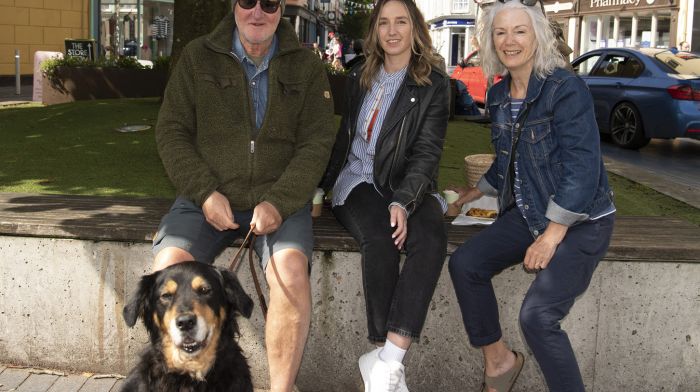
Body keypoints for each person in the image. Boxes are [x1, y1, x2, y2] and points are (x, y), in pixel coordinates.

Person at [152, 0, 337, 391]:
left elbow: (317, 144)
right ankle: (183, 382)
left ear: (281, 8)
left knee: (290, 276)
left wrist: (279, 201)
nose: (258, 13)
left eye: (269, 4)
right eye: (247, 1)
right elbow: (171, 131)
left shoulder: (306, 66)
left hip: (280, 200)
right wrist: (204, 192)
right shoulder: (197, 56)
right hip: (206, 197)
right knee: (169, 267)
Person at [447, 1, 616, 391]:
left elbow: (583, 168)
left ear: (536, 35)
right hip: (531, 212)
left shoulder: (564, 87)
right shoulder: (499, 95)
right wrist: (472, 193)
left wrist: (552, 235)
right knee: (466, 264)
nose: (510, 41)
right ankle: (500, 362)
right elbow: (508, 158)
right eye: (500, 32)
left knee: (537, 317)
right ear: (491, 41)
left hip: (583, 221)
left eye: (519, 31)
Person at [320, 0, 450, 390]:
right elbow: (345, 138)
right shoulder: (360, 75)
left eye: (401, 22)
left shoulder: (434, 85)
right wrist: (317, 185)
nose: (392, 31)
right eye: (384, 23)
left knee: (431, 237)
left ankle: (385, 362)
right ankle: (382, 352)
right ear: (375, 31)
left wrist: (403, 200)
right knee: (381, 237)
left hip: (408, 184)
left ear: (415, 29)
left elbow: (427, 153)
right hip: (357, 180)